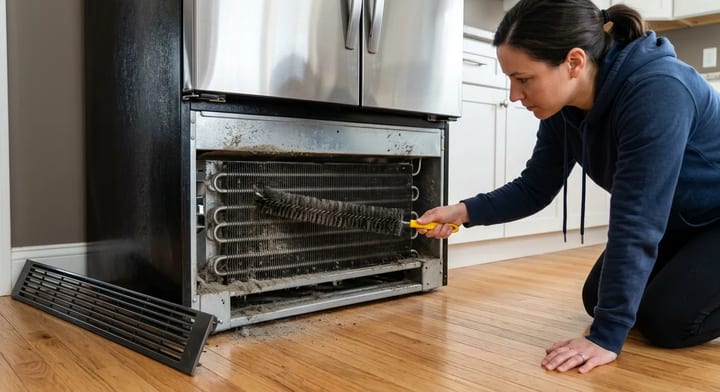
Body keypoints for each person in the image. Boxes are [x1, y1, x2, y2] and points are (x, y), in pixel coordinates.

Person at [417, 0, 720, 374]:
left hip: (713, 216)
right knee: (597, 298)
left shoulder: (658, 90)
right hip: (683, 221)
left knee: (669, 322)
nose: (514, 95)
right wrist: (462, 212)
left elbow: (637, 220)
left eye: (523, 79)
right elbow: (534, 188)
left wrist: (606, 338)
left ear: (574, 62)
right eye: (510, 80)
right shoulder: (565, 108)